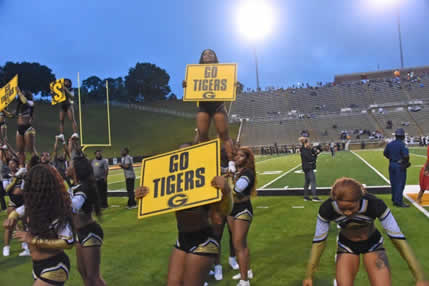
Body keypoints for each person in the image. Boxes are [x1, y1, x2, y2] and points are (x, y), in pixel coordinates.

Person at [135, 143, 232, 286]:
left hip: (203, 240)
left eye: (187, 153)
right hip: (182, 238)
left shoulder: (207, 178)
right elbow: (154, 200)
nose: (182, 157)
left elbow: (223, 212)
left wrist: (226, 191)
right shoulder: (173, 180)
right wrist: (143, 196)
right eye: (179, 153)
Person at [303, 177, 429, 286]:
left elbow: (398, 239)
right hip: (347, 245)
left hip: (372, 244)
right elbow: (318, 242)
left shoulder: (375, 204)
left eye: (351, 208)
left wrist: (419, 276)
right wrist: (309, 275)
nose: (347, 213)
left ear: (360, 199)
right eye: (343, 209)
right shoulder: (327, 208)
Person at [3, 164, 75, 286]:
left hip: (54, 266)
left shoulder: (55, 210)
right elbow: (15, 213)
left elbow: (68, 242)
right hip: (37, 266)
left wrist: (33, 240)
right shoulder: (33, 206)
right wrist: (10, 220)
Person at [183, 49, 236, 173]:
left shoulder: (223, 70)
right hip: (203, 105)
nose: (208, 55)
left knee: (224, 134)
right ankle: (210, 161)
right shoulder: (196, 72)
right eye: (205, 54)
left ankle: (231, 163)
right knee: (202, 134)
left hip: (218, 105)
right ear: (201, 58)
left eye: (210, 53)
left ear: (215, 56)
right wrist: (186, 84)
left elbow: (229, 84)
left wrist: (235, 85)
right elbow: (192, 87)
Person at [67, 154, 106, 286]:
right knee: (83, 272)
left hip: (90, 232)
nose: (67, 166)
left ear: (76, 170)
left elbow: (74, 207)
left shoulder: (84, 187)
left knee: (93, 277)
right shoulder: (74, 186)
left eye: (70, 164)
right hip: (80, 233)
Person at [228, 147, 256, 286]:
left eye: (241, 156)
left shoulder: (248, 172)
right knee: (240, 243)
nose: (237, 158)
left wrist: (229, 177)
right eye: (236, 156)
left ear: (247, 158)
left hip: (243, 209)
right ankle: (247, 270)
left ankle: (244, 281)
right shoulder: (237, 171)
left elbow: (237, 189)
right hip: (231, 209)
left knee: (239, 245)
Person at [2, 158, 29, 256]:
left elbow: (25, 188)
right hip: (13, 202)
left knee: (25, 224)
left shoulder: (23, 173)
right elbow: (7, 189)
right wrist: (15, 179)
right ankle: (6, 247)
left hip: (24, 202)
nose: (11, 165)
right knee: (10, 224)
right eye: (9, 163)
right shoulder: (6, 175)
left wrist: (21, 176)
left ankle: (25, 244)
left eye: (13, 163)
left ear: (17, 164)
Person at [384, 128, 411, 207]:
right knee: (400, 183)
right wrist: (406, 163)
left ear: (396, 136)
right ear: (402, 136)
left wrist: (392, 158)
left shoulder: (390, 144)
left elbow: (385, 154)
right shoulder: (403, 144)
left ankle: (394, 198)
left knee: (393, 183)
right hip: (399, 165)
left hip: (391, 164)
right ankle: (398, 202)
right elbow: (406, 156)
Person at [15, 87, 38, 176]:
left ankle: (38, 166)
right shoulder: (20, 105)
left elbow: (25, 101)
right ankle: (22, 168)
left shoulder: (31, 103)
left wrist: (19, 93)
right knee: (20, 150)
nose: (21, 95)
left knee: (31, 150)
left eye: (23, 93)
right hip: (19, 128)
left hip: (28, 128)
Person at [299, 137, 321, 202]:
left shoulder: (304, 149)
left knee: (307, 182)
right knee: (313, 181)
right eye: (308, 142)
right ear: (306, 143)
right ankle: (314, 197)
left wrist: (316, 152)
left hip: (306, 167)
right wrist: (316, 155)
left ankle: (306, 197)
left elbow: (312, 154)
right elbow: (310, 158)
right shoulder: (304, 150)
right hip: (308, 167)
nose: (309, 143)